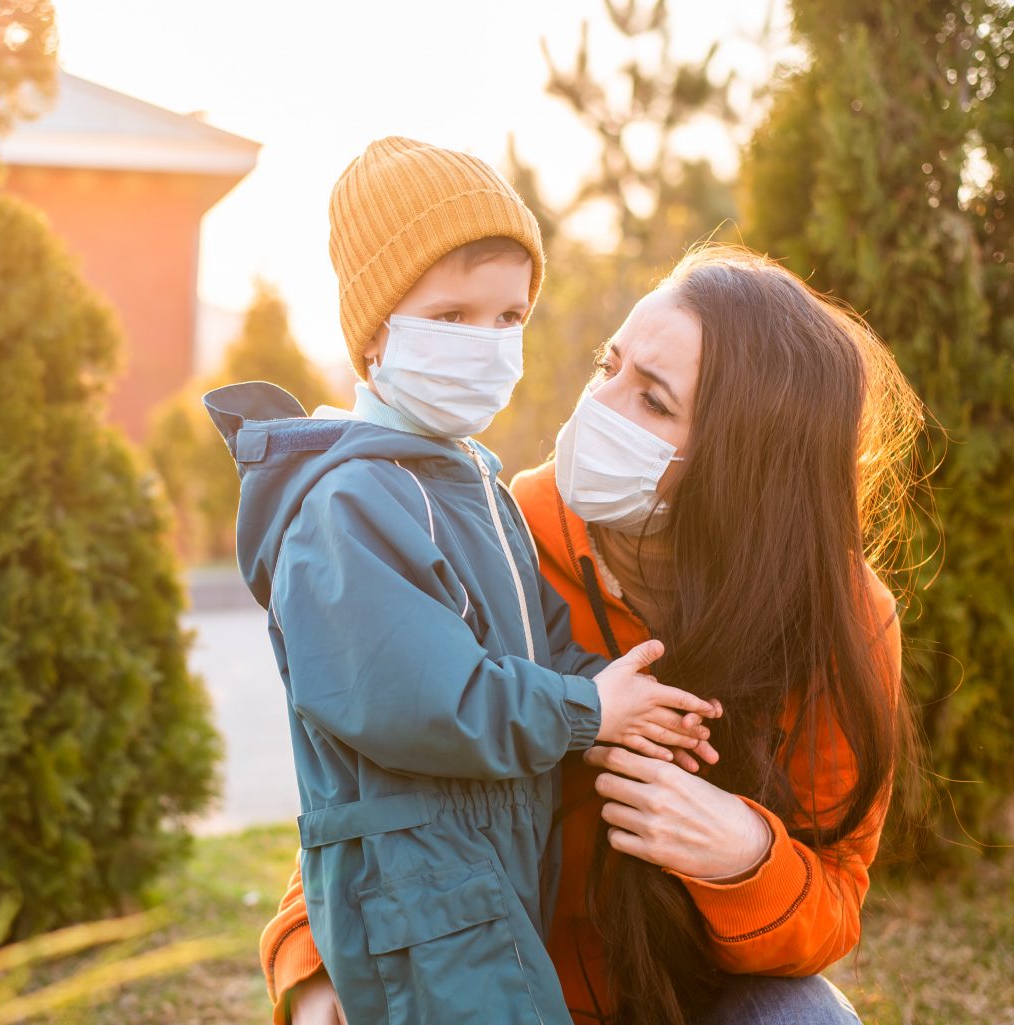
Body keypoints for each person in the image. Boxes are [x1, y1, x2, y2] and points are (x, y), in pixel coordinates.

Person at [259, 243, 921, 1025]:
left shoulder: (844, 618)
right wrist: (310, 961)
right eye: (609, 365)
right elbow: (384, 753)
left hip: (693, 995)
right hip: (504, 986)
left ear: (746, 467)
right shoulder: (512, 536)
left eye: (653, 401)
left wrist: (746, 855)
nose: (599, 405)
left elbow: (835, 901)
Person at [203, 136, 724, 1025]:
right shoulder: (349, 503)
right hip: (416, 892)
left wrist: (620, 694)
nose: (485, 345)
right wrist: (586, 712)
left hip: (478, 870)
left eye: (508, 316)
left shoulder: (470, 479)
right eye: (451, 316)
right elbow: (423, 698)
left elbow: (535, 640)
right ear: (375, 333)